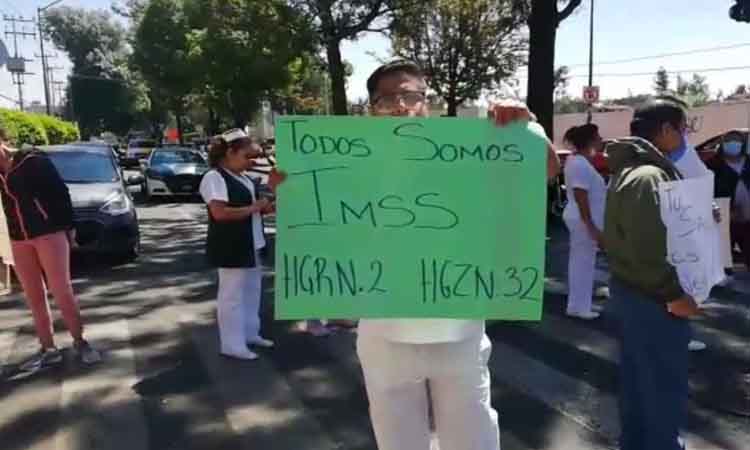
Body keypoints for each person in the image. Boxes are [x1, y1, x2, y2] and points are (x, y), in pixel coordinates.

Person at [286, 60, 556, 450]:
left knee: (474, 441)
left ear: (426, 102)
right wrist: (290, 191)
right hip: (384, 339)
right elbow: (313, 221)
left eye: (410, 95)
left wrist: (526, 127)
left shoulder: (470, 153)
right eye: (387, 99)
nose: (400, 106)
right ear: (370, 108)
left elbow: (545, 167)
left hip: (459, 336)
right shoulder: (344, 160)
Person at [604, 101, 700, 450]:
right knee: (662, 384)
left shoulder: (633, 170)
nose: (684, 135)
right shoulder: (649, 176)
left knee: (640, 383)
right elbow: (648, 248)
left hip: (635, 293)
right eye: (682, 127)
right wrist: (674, 295)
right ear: (665, 130)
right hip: (652, 298)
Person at [0, 127, 101, 372]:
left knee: (60, 289)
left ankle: (80, 341)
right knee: (33, 294)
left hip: (49, 233)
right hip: (18, 238)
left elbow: (60, 193)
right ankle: (48, 349)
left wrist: (70, 229)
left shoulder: (32, 160)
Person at [200, 129, 275, 360]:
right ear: (229, 153)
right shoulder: (215, 177)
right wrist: (255, 207)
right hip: (231, 245)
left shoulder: (241, 178)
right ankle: (232, 344)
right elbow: (220, 213)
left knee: (252, 292)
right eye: (246, 156)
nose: (250, 162)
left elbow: (261, 208)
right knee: (231, 296)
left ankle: (250, 333)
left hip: (252, 243)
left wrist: (272, 192)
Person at [562, 124, 606, 320]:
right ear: (589, 140)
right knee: (582, 263)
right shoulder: (579, 163)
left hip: (581, 219)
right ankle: (579, 307)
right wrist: (590, 225)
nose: (600, 139)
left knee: (582, 262)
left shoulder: (578, 161)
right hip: (582, 220)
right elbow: (581, 195)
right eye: (597, 136)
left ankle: (579, 304)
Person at [708, 131, 750, 272]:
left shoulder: (748, 163)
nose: (732, 144)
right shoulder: (713, 166)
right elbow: (706, 192)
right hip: (725, 220)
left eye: (736, 141)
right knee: (723, 260)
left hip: (748, 221)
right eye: (729, 141)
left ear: (743, 144)